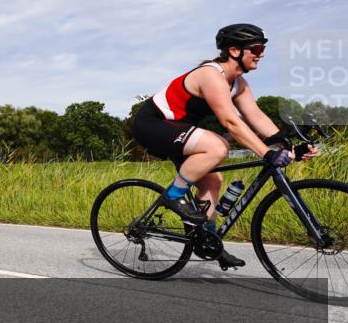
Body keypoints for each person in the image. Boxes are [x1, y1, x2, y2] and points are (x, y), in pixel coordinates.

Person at [131, 23, 319, 269]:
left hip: (180, 129)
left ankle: (208, 242)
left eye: (262, 49)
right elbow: (231, 122)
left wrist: (288, 145)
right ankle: (173, 196)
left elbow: (256, 117)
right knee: (218, 146)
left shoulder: (239, 84)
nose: (261, 54)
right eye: (256, 49)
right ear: (234, 51)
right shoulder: (211, 75)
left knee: (213, 181)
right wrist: (266, 153)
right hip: (152, 124)